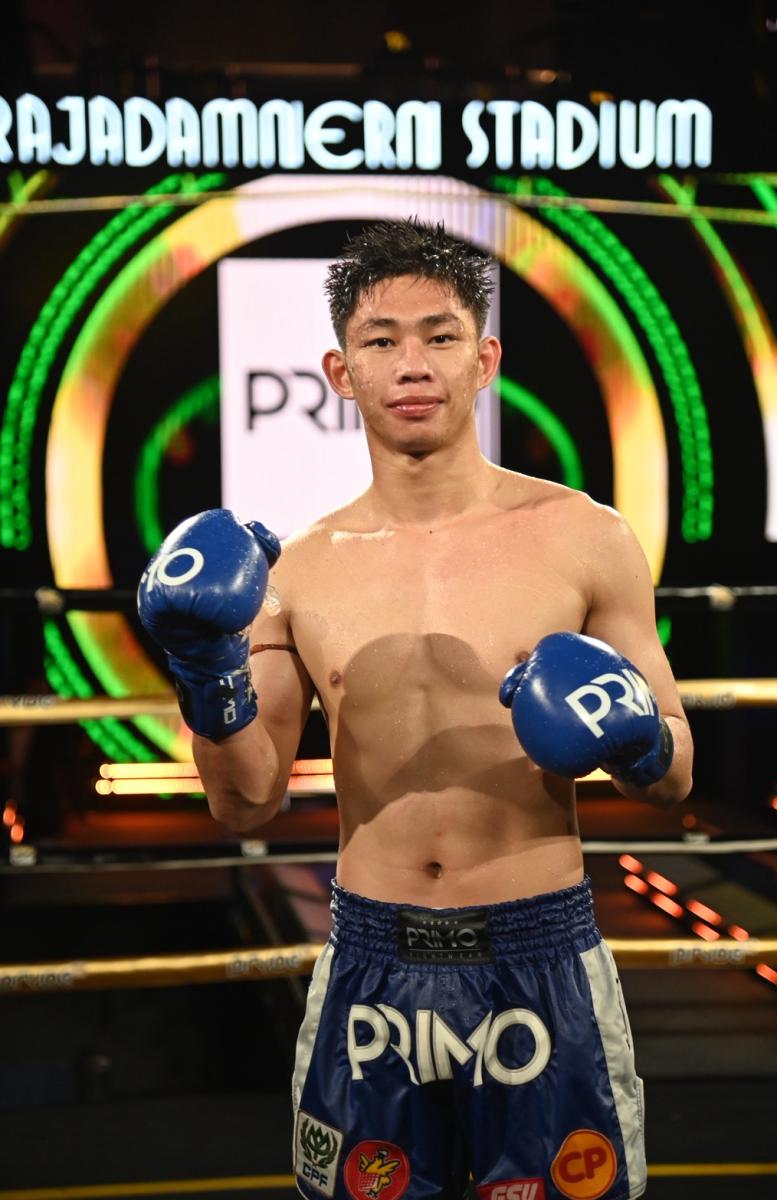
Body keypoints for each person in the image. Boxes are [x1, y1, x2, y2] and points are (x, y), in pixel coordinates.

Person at [138, 219, 693, 1200]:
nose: (412, 364)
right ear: (340, 372)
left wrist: (638, 737)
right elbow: (244, 800)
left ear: (485, 360)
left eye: (440, 337)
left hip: (539, 954)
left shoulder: (584, 537)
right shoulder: (298, 571)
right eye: (381, 340)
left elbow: (676, 772)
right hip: (372, 964)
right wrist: (204, 672)